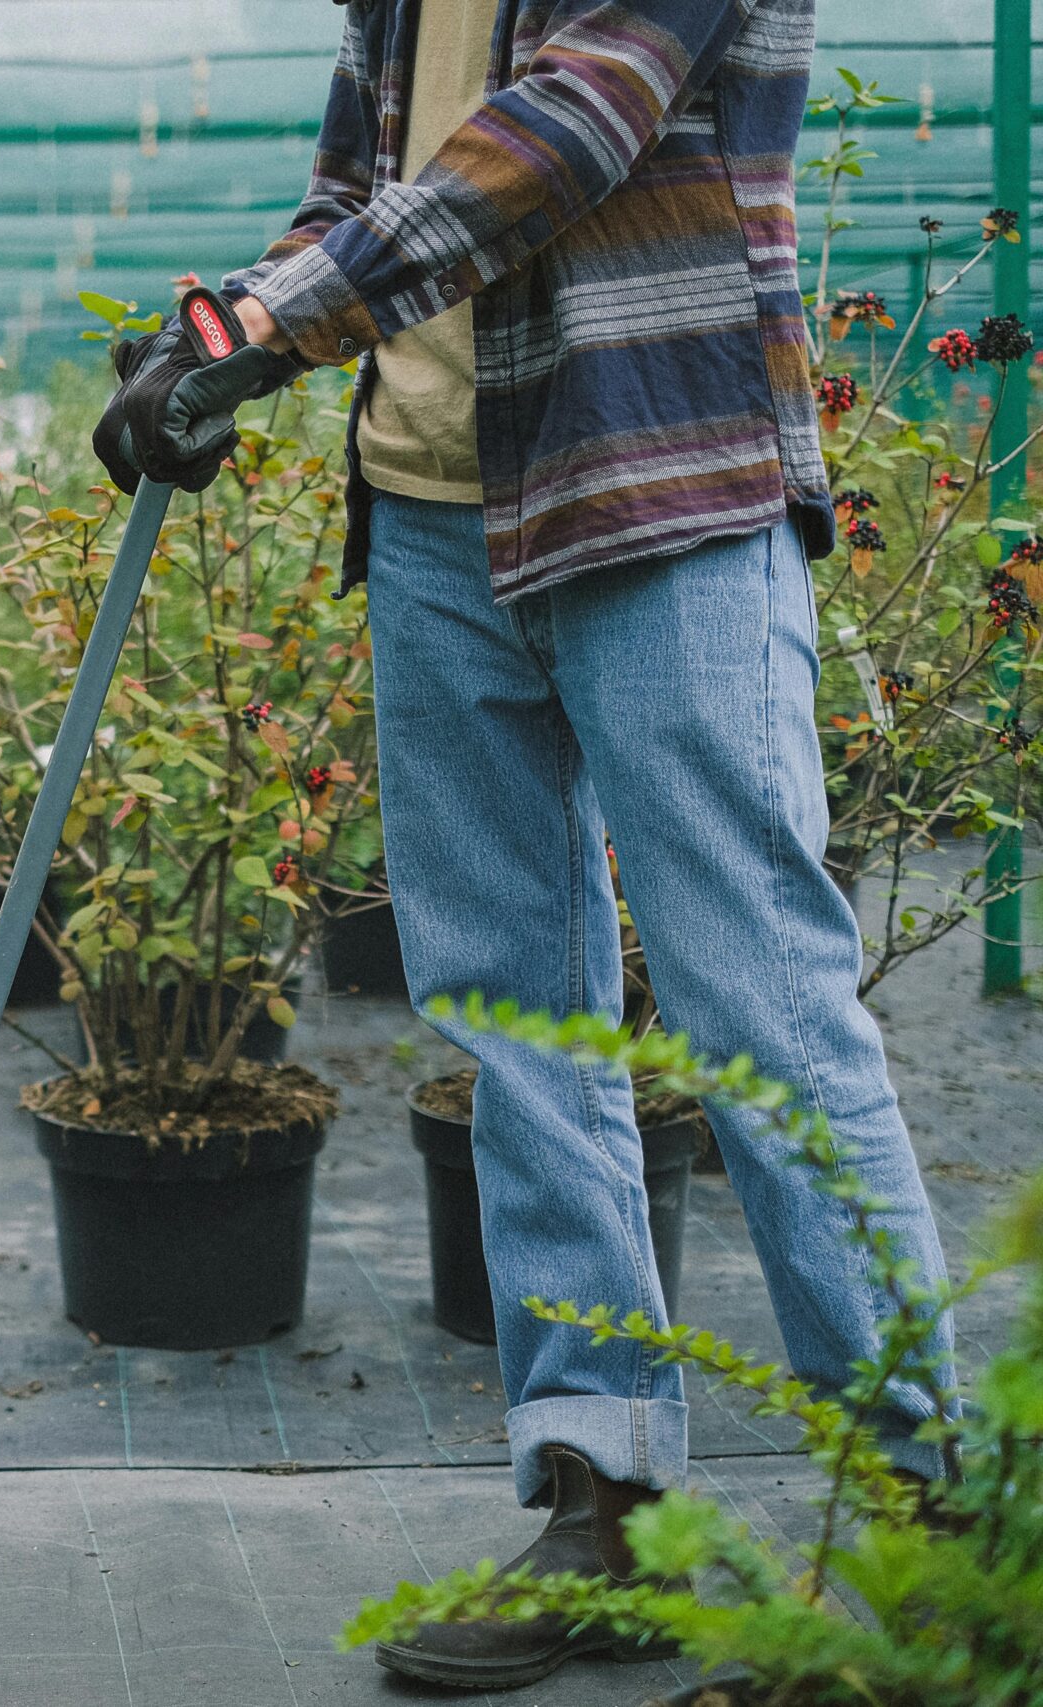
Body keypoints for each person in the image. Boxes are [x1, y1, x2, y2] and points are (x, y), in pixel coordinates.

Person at [96, 0, 957, 1691]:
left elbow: (570, 126)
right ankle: (601, 1497)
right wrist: (204, 341)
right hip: (430, 522)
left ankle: (943, 1547)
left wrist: (267, 322)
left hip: (666, 494)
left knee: (763, 1013)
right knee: (515, 1018)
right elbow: (362, 182)